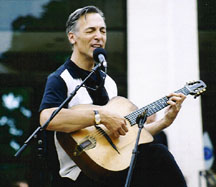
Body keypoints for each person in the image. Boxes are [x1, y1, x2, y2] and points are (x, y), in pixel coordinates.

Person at [39, 5, 187, 187]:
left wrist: (164, 122)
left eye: (102, 31)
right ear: (72, 37)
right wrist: (100, 117)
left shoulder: (108, 82)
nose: (99, 36)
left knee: (157, 154)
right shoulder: (60, 78)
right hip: (77, 176)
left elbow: (124, 140)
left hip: (111, 168)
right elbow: (47, 118)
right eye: (91, 30)